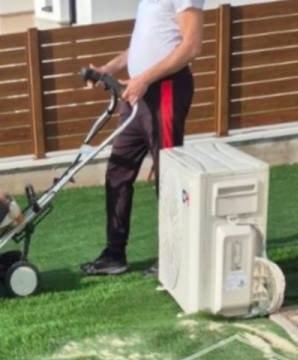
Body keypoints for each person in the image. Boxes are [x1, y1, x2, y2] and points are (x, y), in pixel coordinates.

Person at [81, 0, 211, 277]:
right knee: (118, 170)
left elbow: (191, 46)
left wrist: (145, 79)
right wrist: (110, 68)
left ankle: (174, 256)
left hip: (164, 91)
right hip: (136, 94)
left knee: (169, 175)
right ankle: (115, 253)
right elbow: (144, 44)